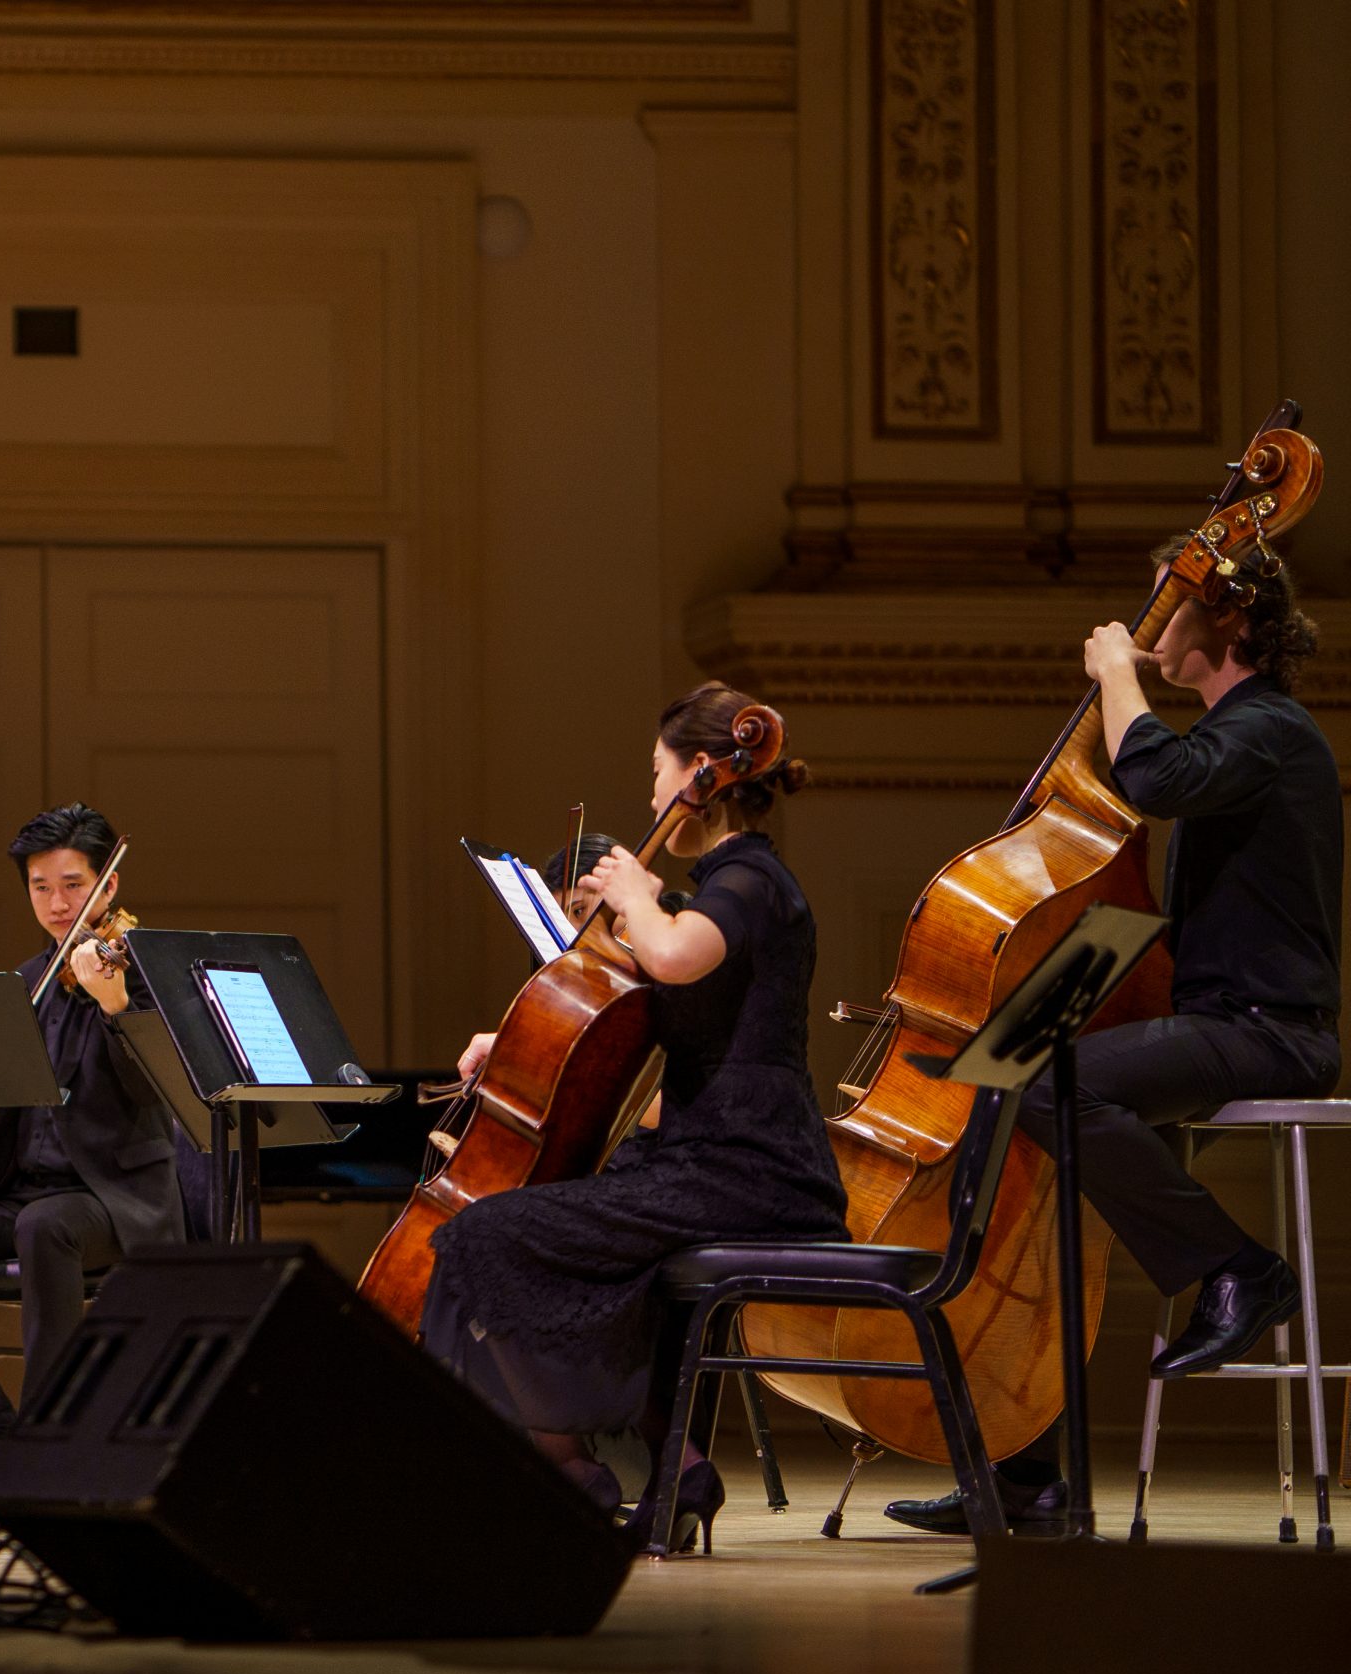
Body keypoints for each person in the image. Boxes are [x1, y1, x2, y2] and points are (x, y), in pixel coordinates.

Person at [889, 536, 1341, 1537]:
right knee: (1027, 1135)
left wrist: (1108, 681)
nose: (1146, 628)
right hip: (1215, 1020)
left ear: (1226, 619)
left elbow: (1155, 778)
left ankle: (1238, 1270)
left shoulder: (1272, 729)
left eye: (1165, 607)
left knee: (1051, 1092)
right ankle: (1026, 1474)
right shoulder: (1240, 742)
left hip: (1271, 1033)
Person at [420, 682, 844, 1551]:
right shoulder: (716, 887)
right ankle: (678, 1464)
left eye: (658, 772)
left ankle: (567, 1463)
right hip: (702, 1157)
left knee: (483, 1237)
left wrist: (635, 892)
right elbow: (629, 1013)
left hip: (751, 1168)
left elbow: (673, 957)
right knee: (556, 1241)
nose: (653, 795)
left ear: (701, 772)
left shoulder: (749, 879)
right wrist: (507, 1040)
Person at [0, 804, 189, 1468]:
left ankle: (51, 1439)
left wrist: (115, 1004)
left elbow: (164, 1093)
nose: (57, 903)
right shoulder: (28, 981)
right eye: (40, 886)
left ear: (108, 886)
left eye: (72, 884)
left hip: (111, 1198)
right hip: (18, 1193)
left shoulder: (146, 973)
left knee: (45, 1226)